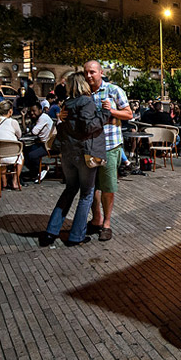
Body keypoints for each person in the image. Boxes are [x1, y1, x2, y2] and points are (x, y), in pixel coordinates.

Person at [42, 72, 106, 247]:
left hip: (68, 154)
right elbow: (88, 126)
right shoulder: (86, 102)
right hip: (84, 153)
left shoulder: (67, 103)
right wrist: (105, 113)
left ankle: (51, 231)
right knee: (86, 194)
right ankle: (76, 235)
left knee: (70, 189)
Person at [84, 60, 133, 242]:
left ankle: (107, 223)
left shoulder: (113, 90)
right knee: (92, 186)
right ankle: (96, 219)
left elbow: (128, 114)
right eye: (86, 72)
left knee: (108, 186)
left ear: (101, 72)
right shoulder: (85, 92)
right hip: (90, 146)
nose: (89, 76)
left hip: (110, 146)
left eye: (92, 72)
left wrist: (111, 111)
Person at [0, 100, 23, 190]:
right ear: (10, 111)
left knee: (0, 154)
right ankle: (15, 182)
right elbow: (19, 135)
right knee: (21, 156)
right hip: (8, 155)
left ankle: (3, 181)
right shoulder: (12, 122)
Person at [23, 103, 53, 182]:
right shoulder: (39, 118)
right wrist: (24, 117)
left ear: (40, 110)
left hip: (49, 145)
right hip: (41, 143)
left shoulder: (43, 118)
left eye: (34, 111)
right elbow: (27, 130)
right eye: (30, 111)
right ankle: (34, 171)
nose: (32, 113)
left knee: (31, 155)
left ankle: (42, 169)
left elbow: (34, 132)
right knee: (24, 152)